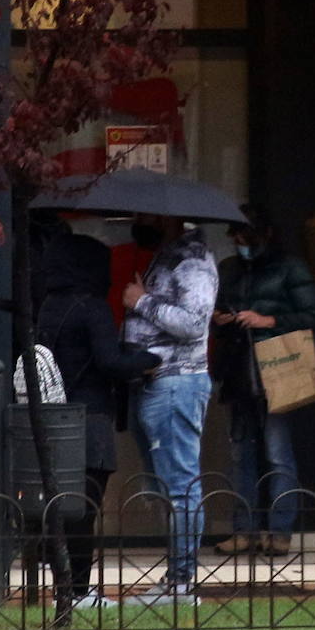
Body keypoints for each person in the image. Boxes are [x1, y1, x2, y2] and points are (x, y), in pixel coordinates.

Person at [37, 233, 161, 609]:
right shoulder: (92, 307)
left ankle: (63, 585)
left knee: (63, 504)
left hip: (56, 419)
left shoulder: (48, 305)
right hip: (91, 419)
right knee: (86, 508)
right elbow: (110, 362)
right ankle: (78, 590)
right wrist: (150, 359)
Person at [211, 205, 315, 556]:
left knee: (277, 453)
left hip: (276, 367)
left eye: (245, 238)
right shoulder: (229, 269)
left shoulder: (290, 268)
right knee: (240, 453)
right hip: (237, 367)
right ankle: (244, 530)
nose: (240, 244)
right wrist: (220, 319)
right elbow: (212, 311)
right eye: (236, 238)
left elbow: (312, 316)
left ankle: (279, 531)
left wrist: (268, 320)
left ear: (264, 236)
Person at [121, 213, 219, 605]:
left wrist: (141, 301)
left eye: (146, 215)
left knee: (180, 486)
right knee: (166, 486)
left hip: (176, 383)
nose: (138, 220)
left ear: (169, 218)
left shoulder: (191, 261)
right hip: (157, 383)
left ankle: (181, 583)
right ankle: (175, 579)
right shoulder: (165, 256)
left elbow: (195, 323)